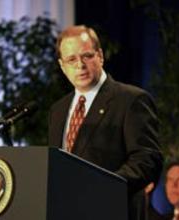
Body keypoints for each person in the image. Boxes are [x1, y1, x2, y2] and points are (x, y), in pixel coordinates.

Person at [48, 25, 163, 219]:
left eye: (86, 56)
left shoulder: (131, 100)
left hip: (113, 211)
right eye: (71, 59)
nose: (80, 65)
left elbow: (147, 160)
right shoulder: (58, 110)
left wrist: (105, 187)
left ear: (100, 56)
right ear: (62, 66)